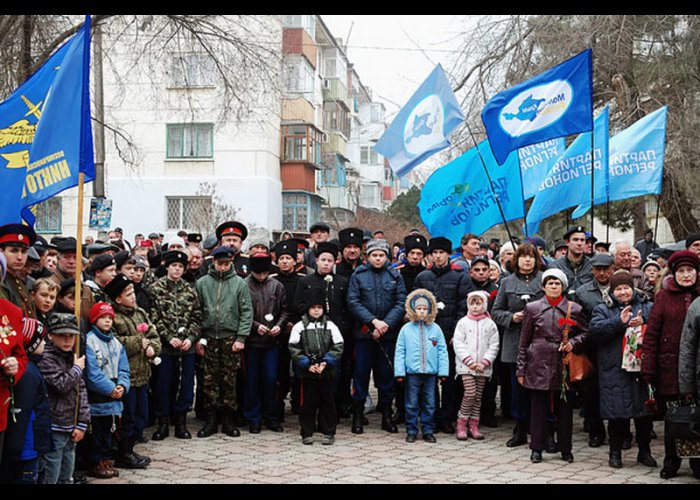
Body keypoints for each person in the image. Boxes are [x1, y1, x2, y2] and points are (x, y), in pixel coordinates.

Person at [517, 269, 588, 463]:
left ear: (563, 286)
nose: (554, 286)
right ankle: (537, 448)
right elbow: (524, 341)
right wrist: (521, 369)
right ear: (543, 286)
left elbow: (585, 333)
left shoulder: (574, 309)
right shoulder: (532, 308)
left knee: (564, 408)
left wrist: (573, 343)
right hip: (538, 360)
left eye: (557, 283)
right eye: (550, 283)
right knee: (538, 407)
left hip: (563, 362)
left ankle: (565, 448)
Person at [589, 270, 657, 469]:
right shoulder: (602, 309)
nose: (623, 292)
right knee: (617, 415)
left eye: (626, 287)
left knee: (644, 415)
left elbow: (656, 326)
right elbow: (596, 331)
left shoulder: (646, 306)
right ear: (612, 291)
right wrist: (619, 322)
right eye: (618, 289)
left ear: (632, 288)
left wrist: (642, 321)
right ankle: (615, 452)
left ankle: (644, 452)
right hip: (614, 369)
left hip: (640, 369)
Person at [642, 250, 700, 479]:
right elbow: (652, 334)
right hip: (670, 367)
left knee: (697, 417)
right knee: (675, 417)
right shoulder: (664, 297)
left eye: (690, 271)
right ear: (674, 274)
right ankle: (671, 462)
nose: (686, 276)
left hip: (696, 367)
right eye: (681, 272)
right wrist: (648, 367)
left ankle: (696, 463)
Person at [414, 236, 473, 434]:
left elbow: (463, 306)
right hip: (427, 334)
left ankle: (447, 417)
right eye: (435, 253)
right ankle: (430, 416)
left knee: (448, 380)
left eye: (441, 253)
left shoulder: (460, 277)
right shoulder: (423, 277)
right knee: (428, 376)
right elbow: (415, 303)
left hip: (450, 334)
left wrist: (455, 333)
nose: (438, 256)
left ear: (449, 254)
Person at [347, 239, 407, 435]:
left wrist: (385, 324)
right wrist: (373, 321)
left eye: (381, 255)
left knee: (386, 376)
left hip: (387, 335)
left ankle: (387, 415)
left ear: (387, 257)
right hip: (364, 334)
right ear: (368, 257)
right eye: (374, 255)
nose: (378, 258)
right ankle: (358, 414)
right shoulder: (359, 275)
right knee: (361, 375)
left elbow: (400, 302)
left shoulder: (395, 276)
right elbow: (353, 302)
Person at [195, 246, 253, 438]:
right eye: (219, 263)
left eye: (226, 263)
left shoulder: (239, 284)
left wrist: (241, 338)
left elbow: (246, 312)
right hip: (210, 337)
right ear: (213, 262)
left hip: (230, 337)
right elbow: (197, 311)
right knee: (210, 379)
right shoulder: (202, 283)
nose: (222, 267)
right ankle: (211, 419)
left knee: (229, 379)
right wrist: (200, 338)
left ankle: (228, 419)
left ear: (231, 263)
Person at [492, 242, 544, 448]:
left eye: (531, 256)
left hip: (540, 341)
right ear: (516, 259)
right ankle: (520, 428)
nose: (527, 260)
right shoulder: (506, 282)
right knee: (518, 389)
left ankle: (542, 428)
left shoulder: (545, 280)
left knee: (540, 388)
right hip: (515, 341)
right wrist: (512, 317)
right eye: (523, 256)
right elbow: (496, 311)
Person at [107, 274, 161, 469]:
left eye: (133, 292)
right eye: (128, 294)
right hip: (125, 377)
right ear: (118, 298)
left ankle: (131, 448)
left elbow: (153, 335)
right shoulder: (113, 317)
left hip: (142, 375)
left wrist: (153, 347)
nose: (133, 296)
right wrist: (138, 342)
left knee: (141, 414)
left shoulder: (140, 313)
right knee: (126, 417)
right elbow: (113, 343)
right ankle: (124, 452)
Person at [293, 242, 352, 421]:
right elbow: (298, 305)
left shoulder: (342, 282)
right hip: (311, 337)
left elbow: (347, 307)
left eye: (330, 260)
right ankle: (309, 413)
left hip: (334, 336)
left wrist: (342, 326)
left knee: (334, 375)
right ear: (316, 261)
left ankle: (331, 413)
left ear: (335, 262)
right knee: (310, 376)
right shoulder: (305, 281)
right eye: (323, 260)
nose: (326, 264)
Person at [148, 250, 202, 441]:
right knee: (163, 384)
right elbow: (153, 316)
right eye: (174, 266)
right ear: (167, 267)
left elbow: (197, 317)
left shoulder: (189, 290)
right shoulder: (156, 288)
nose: (177, 269)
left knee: (185, 384)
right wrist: (168, 337)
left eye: (180, 266)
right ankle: (163, 423)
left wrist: (191, 338)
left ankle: (181, 422)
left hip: (186, 348)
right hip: (165, 348)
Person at [288, 287, 344, 445]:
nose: (316, 311)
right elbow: (293, 347)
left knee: (328, 401)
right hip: (308, 371)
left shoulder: (330, 326)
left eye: (319, 308)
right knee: (307, 402)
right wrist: (306, 364)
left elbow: (338, 345)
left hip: (327, 369)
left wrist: (327, 361)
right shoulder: (300, 326)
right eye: (313, 308)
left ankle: (328, 431)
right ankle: (307, 432)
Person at [38, 313, 89, 484]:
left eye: (71, 336)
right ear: (51, 336)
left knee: (67, 472)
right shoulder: (46, 358)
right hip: (54, 425)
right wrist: (76, 369)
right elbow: (61, 385)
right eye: (62, 336)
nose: (67, 340)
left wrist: (82, 422)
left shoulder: (73, 357)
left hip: (71, 424)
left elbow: (81, 392)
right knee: (52, 470)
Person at [394, 288, 448, 443]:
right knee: (411, 403)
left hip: (431, 372)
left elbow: (442, 351)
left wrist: (443, 372)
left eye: (425, 309)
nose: (422, 312)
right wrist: (399, 372)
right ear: (413, 310)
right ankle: (411, 429)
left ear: (430, 310)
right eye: (419, 309)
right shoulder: (406, 329)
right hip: (412, 372)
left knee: (430, 403)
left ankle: (428, 430)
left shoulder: (436, 329)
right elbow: (400, 351)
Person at [0, 318, 50, 484]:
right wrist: (16, 450)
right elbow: (21, 413)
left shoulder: (30, 368)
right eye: (41, 339)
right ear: (33, 343)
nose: (45, 343)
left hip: (28, 446)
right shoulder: (27, 373)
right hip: (26, 448)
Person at [84, 302, 130, 479]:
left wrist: (122, 386)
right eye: (103, 317)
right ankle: (96, 462)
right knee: (97, 432)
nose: (107, 321)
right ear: (95, 319)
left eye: (110, 318)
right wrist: (110, 389)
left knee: (109, 432)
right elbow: (93, 373)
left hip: (114, 396)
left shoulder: (116, 343)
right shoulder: (90, 341)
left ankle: (106, 459)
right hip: (99, 397)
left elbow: (124, 368)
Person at [244, 253, 289, 433]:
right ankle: (253, 418)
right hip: (252, 342)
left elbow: (285, 311)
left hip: (272, 342)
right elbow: (241, 312)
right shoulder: (244, 285)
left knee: (271, 379)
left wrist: (279, 326)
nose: (261, 277)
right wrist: (255, 326)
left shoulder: (276, 286)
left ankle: (272, 416)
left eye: (264, 273)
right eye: (258, 274)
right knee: (252, 380)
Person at [574, 252, 616, 448]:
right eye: (597, 269)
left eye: (605, 269)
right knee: (591, 392)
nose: (601, 273)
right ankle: (595, 431)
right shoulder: (583, 292)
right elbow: (579, 322)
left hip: (616, 347)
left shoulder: (621, 288)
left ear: (612, 270)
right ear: (592, 270)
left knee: (616, 390)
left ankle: (620, 432)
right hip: (591, 347)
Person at [453, 290, 499, 441]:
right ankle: (462, 423)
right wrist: (469, 361)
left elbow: (494, 345)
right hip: (466, 366)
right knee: (470, 393)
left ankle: (474, 424)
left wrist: (485, 362)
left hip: (483, 367)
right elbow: (458, 344)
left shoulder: (490, 324)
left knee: (478, 396)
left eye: (478, 304)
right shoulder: (463, 322)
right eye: (472, 303)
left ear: (484, 305)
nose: (475, 307)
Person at [270, 240, 306, 422]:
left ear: (295, 261)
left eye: (288, 258)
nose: (285, 262)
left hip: (299, 332)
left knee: (300, 371)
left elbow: (306, 305)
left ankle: (299, 406)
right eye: (281, 258)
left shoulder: (303, 280)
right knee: (280, 372)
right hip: (278, 333)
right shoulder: (272, 280)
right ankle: (277, 408)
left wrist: (296, 323)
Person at [49, 237, 95, 325]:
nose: (71, 261)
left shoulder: (86, 289)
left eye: (75, 257)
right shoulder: (49, 285)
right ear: (58, 260)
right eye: (66, 257)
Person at [0, 223, 38, 318]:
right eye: (14, 251)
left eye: (24, 252)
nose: (20, 257)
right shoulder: (2, 282)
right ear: (1, 252)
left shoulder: (19, 281)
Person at [550, 226, 594, 294]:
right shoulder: (555, 266)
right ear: (567, 242)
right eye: (575, 240)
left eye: (582, 240)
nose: (579, 243)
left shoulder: (592, 265)